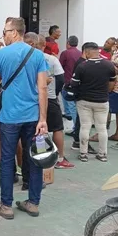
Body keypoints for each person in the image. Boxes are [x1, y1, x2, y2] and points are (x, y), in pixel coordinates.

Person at [0, 17, 48, 219]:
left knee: (7, 160)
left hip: (9, 116)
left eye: (5, 31)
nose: (3, 35)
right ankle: (33, 202)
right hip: (33, 116)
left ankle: (6, 205)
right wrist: (43, 118)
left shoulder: (2, 54)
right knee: (35, 159)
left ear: (14, 32)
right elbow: (42, 87)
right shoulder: (39, 55)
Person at [31, 34, 74, 169]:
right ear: (44, 45)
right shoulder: (51, 59)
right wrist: (55, 93)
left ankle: (39, 157)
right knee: (57, 128)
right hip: (49, 97)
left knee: (37, 130)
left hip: (32, 100)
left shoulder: (27, 58)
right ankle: (59, 158)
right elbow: (60, 79)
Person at [69, 42, 116, 162]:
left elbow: (74, 84)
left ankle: (83, 154)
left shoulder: (82, 66)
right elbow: (112, 83)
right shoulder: (109, 65)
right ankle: (102, 154)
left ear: (87, 52)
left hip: (84, 101)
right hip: (102, 100)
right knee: (102, 128)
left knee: (85, 127)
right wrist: (106, 92)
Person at [59, 35, 82, 125]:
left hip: (68, 81)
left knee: (70, 105)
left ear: (68, 43)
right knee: (76, 105)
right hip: (78, 82)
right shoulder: (80, 53)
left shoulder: (65, 53)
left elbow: (60, 67)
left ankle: (74, 125)